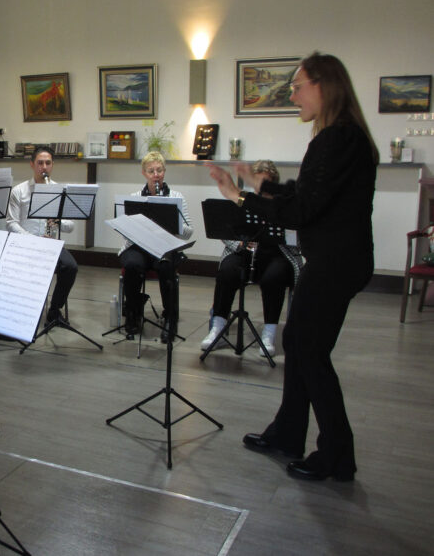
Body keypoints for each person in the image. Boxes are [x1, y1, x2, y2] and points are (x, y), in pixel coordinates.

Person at [208, 52, 377, 482]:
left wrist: (239, 195)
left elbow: (301, 210)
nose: (293, 94)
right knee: (302, 345)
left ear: (324, 85)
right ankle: (287, 432)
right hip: (338, 260)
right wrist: (257, 182)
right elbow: (310, 195)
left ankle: (338, 454)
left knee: (309, 353)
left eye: (298, 85)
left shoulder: (337, 139)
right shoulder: (345, 136)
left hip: (335, 263)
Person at [200, 160, 304, 356]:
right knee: (227, 270)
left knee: (274, 277)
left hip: (279, 254)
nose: (260, 190)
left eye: (264, 183)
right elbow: (226, 229)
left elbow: (298, 241)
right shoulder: (245, 200)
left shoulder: (284, 204)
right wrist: (240, 244)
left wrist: (285, 233)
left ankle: (269, 333)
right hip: (247, 253)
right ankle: (218, 328)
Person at [119, 151, 193, 340]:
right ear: (144, 173)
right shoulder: (135, 196)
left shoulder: (176, 197)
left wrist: (173, 224)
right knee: (132, 265)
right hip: (139, 246)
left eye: (159, 170)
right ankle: (133, 313)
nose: (156, 175)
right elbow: (127, 230)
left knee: (167, 266)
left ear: (164, 172)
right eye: (151, 171)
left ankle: (170, 317)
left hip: (165, 246)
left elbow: (188, 231)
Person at [6, 145, 78, 325]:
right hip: (26, 244)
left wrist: (58, 221)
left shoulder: (60, 191)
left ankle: (54, 310)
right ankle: (23, 309)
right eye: (40, 163)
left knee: (70, 266)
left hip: (51, 244)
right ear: (32, 164)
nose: (44, 167)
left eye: (47, 163)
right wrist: (32, 239)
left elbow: (71, 226)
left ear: (52, 165)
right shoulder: (19, 191)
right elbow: (11, 223)